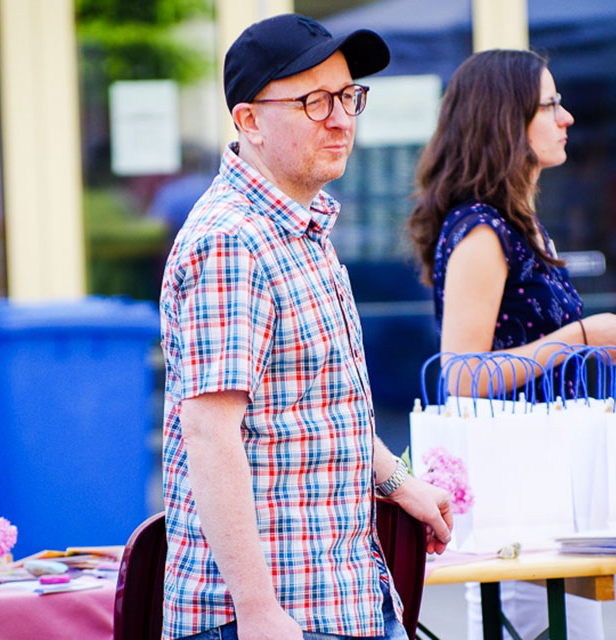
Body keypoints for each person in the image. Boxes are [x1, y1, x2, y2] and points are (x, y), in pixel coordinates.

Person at [159, 14, 453, 640]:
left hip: (344, 599)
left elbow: (313, 409)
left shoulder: (300, 226)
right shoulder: (231, 241)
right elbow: (210, 437)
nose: (342, 118)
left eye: (348, 97)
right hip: (270, 618)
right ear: (248, 121)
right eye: (314, 101)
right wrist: (259, 614)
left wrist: (398, 482)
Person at [406, 49, 616, 640]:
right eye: (550, 104)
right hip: (516, 497)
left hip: (545, 488)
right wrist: (578, 338)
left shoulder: (516, 223)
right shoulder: (483, 231)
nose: (566, 118)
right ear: (506, 120)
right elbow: (460, 374)